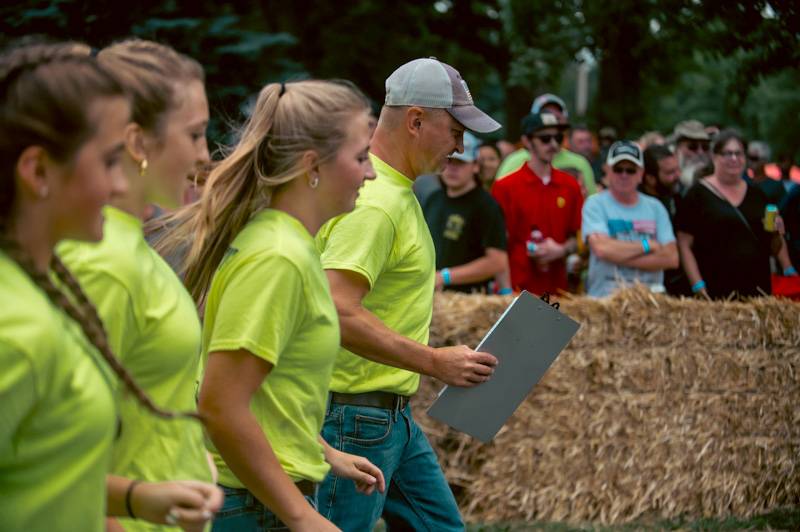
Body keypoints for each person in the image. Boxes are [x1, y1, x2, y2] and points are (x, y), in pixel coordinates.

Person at [0, 42, 222, 532]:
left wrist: (140, 496)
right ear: (37, 171)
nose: (119, 186)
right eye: (107, 161)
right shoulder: (29, 317)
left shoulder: (97, 264)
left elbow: (51, 465)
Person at [156, 80, 386, 531]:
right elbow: (221, 404)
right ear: (311, 166)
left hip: (260, 498)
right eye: (361, 157)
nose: (372, 173)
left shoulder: (287, 245)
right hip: (252, 507)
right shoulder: (279, 258)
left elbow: (266, 389)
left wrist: (322, 450)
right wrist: (300, 516)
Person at [315, 57, 500, 531]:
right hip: (354, 417)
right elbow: (337, 308)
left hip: (387, 414)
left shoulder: (394, 191)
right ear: (415, 121)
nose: (461, 148)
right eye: (456, 131)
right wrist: (434, 362)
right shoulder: (377, 203)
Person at [675, 129, 796, 299]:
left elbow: (773, 248)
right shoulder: (697, 194)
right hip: (715, 293)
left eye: (738, 153)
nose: (734, 159)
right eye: (727, 153)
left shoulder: (757, 195)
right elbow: (684, 244)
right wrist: (698, 285)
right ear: (714, 157)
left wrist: (777, 234)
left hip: (757, 295)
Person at [492, 111, 583, 296]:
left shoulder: (570, 185)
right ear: (527, 141)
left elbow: (578, 239)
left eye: (558, 137)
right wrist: (504, 290)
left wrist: (561, 250)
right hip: (517, 288)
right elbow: (497, 245)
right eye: (545, 138)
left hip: (559, 291)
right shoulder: (505, 187)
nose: (553, 144)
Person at [582, 141, 678, 297]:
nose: (624, 175)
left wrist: (616, 256)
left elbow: (671, 258)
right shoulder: (595, 203)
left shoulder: (656, 207)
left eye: (630, 170)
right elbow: (601, 249)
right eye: (618, 169)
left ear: (641, 174)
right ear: (607, 170)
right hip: (604, 299)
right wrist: (648, 245)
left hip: (650, 301)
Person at [420, 131, 508, 293]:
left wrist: (445, 276)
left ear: (475, 166)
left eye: (461, 163)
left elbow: (497, 262)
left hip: (469, 300)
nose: (453, 168)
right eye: (449, 161)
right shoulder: (433, 198)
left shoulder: (486, 205)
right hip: (432, 296)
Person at [495, 93, 597, 195]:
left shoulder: (580, 164)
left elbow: (591, 203)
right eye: (545, 138)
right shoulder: (513, 162)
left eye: (557, 117)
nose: (551, 120)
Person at [641, 144, 687, 296]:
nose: (677, 176)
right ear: (650, 178)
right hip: (647, 284)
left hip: (679, 282)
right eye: (670, 172)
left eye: (677, 169)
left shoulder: (678, 197)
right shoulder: (637, 203)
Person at [670, 119, 711, 189]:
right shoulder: (667, 185)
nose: (700, 152)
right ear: (676, 151)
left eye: (705, 147)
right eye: (693, 147)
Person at [746, 140, 787, 205]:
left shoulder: (775, 186)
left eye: (754, 158)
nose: (749, 161)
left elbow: (784, 210)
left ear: (764, 160)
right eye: (748, 157)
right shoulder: (744, 182)